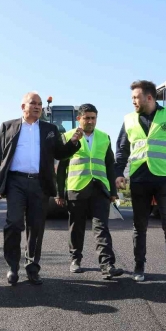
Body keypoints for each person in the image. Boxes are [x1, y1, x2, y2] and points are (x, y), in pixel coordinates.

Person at [115, 80, 166, 293]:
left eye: (136, 97)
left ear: (149, 98)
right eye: (132, 97)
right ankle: (139, 266)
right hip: (140, 179)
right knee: (140, 226)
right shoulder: (128, 120)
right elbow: (122, 150)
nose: (133, 101)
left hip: (165, 178)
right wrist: (118, 173)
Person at [0, 91, 83, 285]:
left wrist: (73, 142)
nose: (37, 106)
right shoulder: (8, 126)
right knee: (14, 223)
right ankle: (13, 267)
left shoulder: (50, 129)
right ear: (22, 106)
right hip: (15, 181)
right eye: (33, 103)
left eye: (40, 104)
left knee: (36, 227)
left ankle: (32, 268)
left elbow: (60, 152)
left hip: (40, 184)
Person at [55, 103, 124, 280]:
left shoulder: (104, 137)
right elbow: (62, 167)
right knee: (76, 227)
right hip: (76, 188)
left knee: (102, 227)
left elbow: (110, 165)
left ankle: (107, 265)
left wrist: (113, 191)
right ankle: (75, 260)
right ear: (79, 119)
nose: (91, 121)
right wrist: (59, 193)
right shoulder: (68, 136)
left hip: (100, 189)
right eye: (87, 118)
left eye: (93, 118)